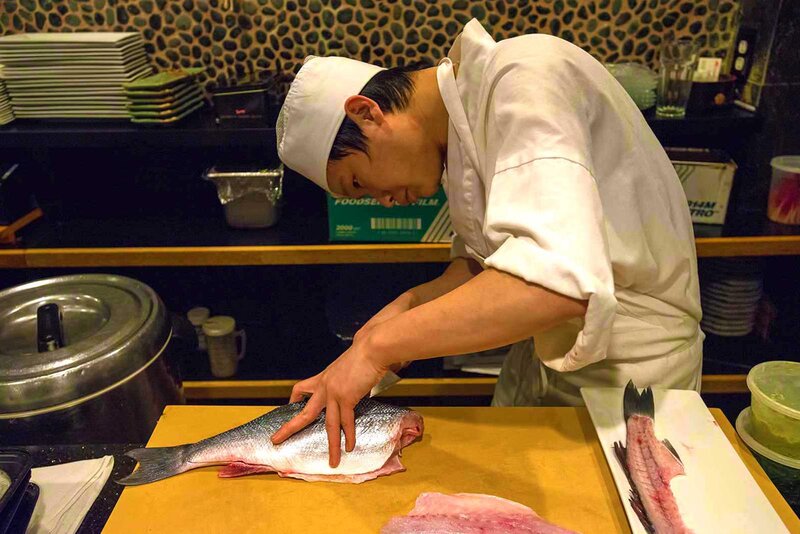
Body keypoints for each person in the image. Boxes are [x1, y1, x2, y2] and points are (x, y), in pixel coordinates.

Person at [271, 19, 703, 467]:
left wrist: (381, 350)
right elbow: (486, 264)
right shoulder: (462, 123)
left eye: (358, 181)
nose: (381, 200)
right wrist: (395, 315)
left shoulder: (526, 76)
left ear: (367, 111)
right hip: (549, 362)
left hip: (635, 379)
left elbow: (555, 285)